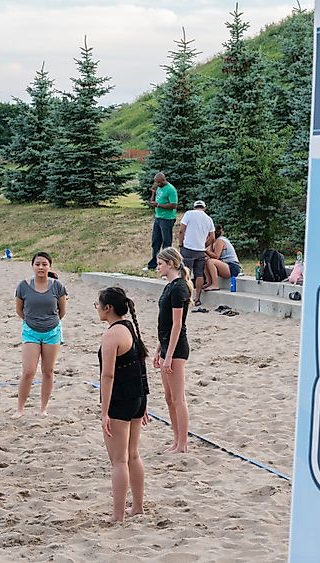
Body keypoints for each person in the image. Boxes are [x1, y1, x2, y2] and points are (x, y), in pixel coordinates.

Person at [95, 286, 150, 522]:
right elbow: (141, 365)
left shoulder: (111, 334)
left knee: (118, 460)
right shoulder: (130, 327)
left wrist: (104, 410)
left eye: (97, 305)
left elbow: (107, 376)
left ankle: (118, 515)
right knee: (133, 455)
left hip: (121, 400)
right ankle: (137, 507)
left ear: (108, 308)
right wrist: (144, 402)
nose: (96, 309)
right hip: (137, 396)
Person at [13, 251, 68, 418]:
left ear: (49, 266)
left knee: (48, 371)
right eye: (37, 264)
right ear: (32, 266)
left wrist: (49, 323)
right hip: (31, 331)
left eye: (44, 264)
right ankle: (20, 408)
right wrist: (32, 321)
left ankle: (43, 408)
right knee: (28, 371)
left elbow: (62, 311)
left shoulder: (58, 286)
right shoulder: (23, 286)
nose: (41, 267)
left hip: (52, 331)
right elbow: (19, 310)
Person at [155, 247, 192, 453]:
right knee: (169, 398)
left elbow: (178, 324)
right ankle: (176, 439)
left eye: (160, 264)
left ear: (170, 264)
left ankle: (183, 443)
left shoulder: (179, 288)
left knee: (178, 398)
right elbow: (165, 324)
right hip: (167, 345)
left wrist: (168, 355)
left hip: (177, 348)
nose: (158, 267)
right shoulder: (169, 286)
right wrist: (159, 349)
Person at [178, 200, 215, 306]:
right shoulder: (208, 219)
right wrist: (204, 245)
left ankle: (186, 297)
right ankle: (197, 298)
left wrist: (181, 244)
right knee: (199, 274)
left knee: (185, 273)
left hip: (188, 248)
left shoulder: (189, 214)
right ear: (204, 208)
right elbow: (212, 237)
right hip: (200, 250)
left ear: (194, 207)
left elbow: (181, 230)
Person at [144, 172, 178, 271]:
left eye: (158, 183)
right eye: (156, 183)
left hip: (167, 219)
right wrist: (153, 192)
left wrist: (158, 205)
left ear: (163, 180)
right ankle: (153, 264)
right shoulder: (158, 188)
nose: (157, 184)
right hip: (158, 217)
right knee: (155, 241)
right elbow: (152, 202)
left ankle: (166, 264)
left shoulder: (171, 189)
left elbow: (174, 205)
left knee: (166, 242)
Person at [203, 224, 241, 291]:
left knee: (210, 261)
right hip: (225, 265)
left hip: (232, 267)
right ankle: (209, 282)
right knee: (206, 260)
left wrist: (205, 250)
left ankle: (215, 284)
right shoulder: (215, 242)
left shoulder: (220, 240)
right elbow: (211, 256)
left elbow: (216, 256)